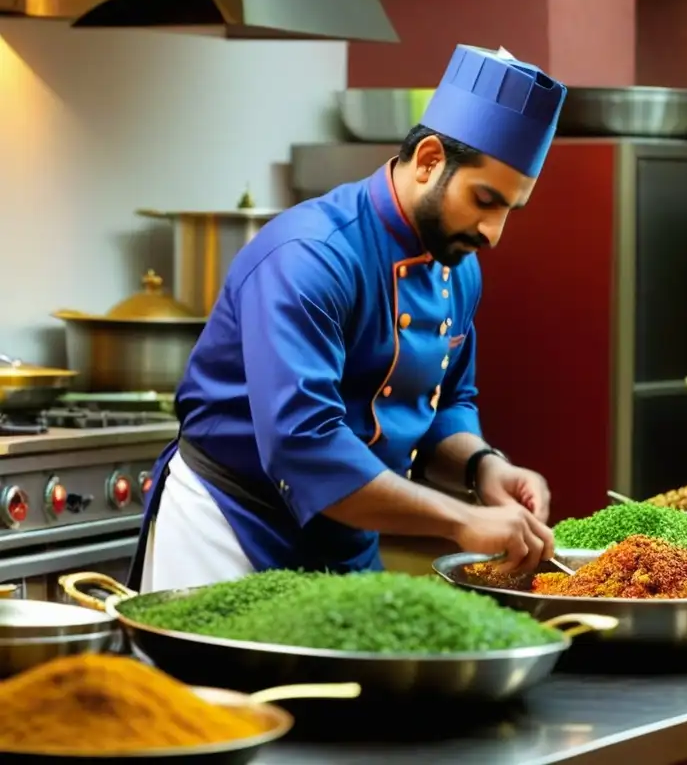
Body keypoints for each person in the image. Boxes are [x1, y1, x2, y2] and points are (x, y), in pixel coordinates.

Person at [127, 45, 568, 593]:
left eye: (509, 210)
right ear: (429, 160)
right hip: (231, 532)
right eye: (484, 200)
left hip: (348, 544)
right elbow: (304, 445)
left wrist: (482, 467)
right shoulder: (309, 257)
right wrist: (460, 518)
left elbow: (444, 402)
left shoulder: (458, 267)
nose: (493, 233)